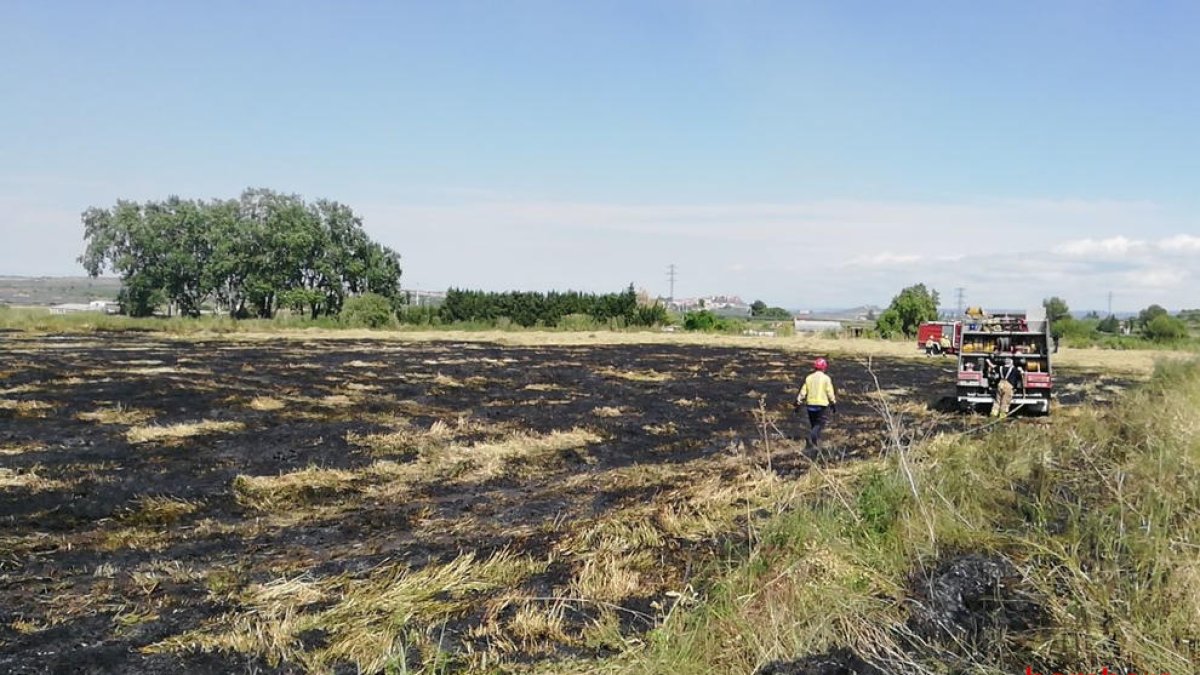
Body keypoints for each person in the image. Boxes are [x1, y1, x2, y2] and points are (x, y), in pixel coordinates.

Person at [796, 357, 837, 449]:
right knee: (820, 424)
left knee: (814, 424)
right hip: (822, 405)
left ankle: (814, 444)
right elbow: (829, 391)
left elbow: (803, 391)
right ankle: (813, 439)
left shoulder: (809, 378)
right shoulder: (826, 378)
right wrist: (833, 402)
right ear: (824, 368)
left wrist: (798, 402)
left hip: (810, 405)